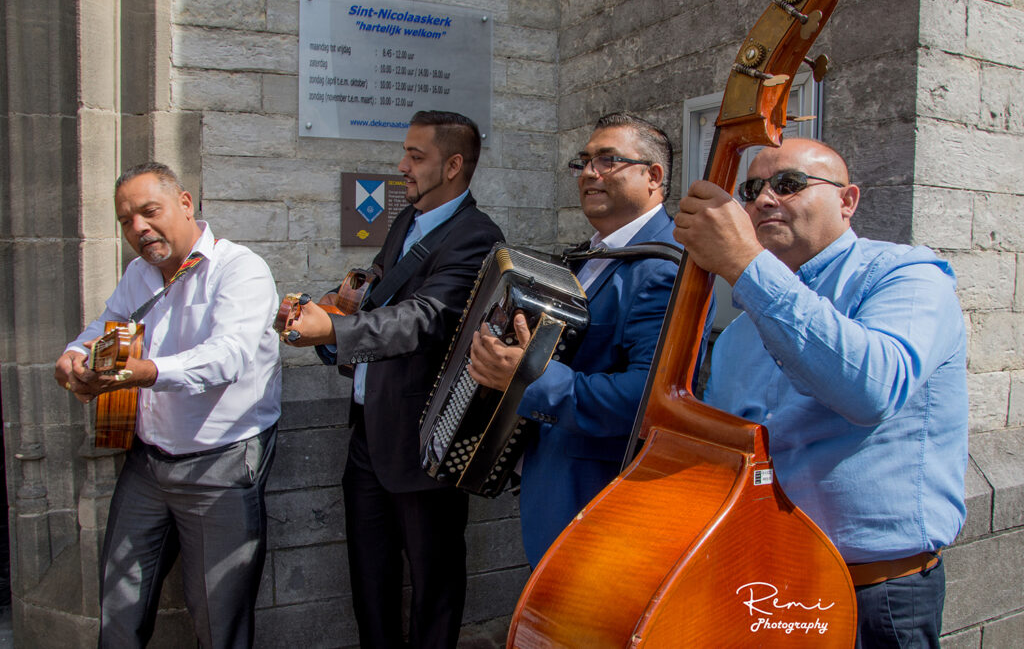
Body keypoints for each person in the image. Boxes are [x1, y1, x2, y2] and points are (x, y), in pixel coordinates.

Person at [673, 137, 967, 647]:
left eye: (788, 185)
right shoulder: (742, 332)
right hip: (768, 583)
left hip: (874, 590)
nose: (765, 200)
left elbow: (871, 389)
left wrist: (745, 263)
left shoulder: (904, 274)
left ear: (847, 200)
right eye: (753, 188)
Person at [283, 110, 503, 649]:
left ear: (453, 166)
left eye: (415, 156)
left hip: (424, 443)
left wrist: (334, 328)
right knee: (370, 578)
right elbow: (390, 297)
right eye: (405, 152)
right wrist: (349, 303)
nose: (401, 165)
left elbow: (424, 318)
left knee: (435, 585)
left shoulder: (478, 237)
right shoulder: (407, 220)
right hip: (369, 434)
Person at [54, 162, 281, 648]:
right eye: (127, 220)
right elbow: (108, 322)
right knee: (119, 609)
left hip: (218, 466)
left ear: (185, 204)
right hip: (148, 462)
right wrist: (75, 355)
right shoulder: (139, 272)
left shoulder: (240, 269)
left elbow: (229, 357)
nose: (138, 228)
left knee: (219, 622)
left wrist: (145, 372)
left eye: (149, 211)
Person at [468, 113, 710, 567]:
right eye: (584, 162)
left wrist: (528, 379)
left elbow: (650, 397)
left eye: (608, 160)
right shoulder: (591, 254)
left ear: (653, 176)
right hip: (556, 481)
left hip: (601, 494)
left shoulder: (665, 269)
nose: (590, 173)